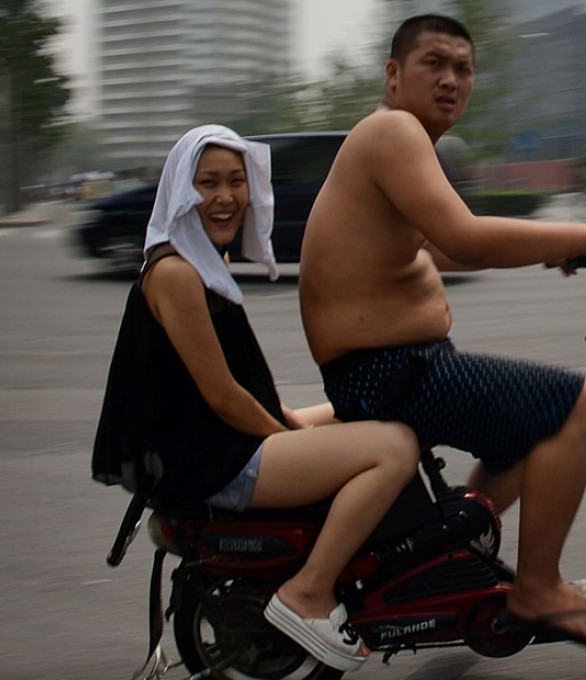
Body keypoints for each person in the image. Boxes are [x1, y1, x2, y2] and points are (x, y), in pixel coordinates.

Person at [298, 15, 586, 647]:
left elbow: (435, 247)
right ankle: (538, 588)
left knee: (524, 436)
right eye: (435, 63)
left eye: (464, 67)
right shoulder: (393, 130)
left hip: (393, 369)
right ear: (394, 75)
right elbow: (468, 237)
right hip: (394, 374)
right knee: (577, 408)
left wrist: (551, 249)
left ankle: (453, 553)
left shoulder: (396, 142)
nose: (452, 79)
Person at [92, 124, 420, 672]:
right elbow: (223, 397)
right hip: (213, 459)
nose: (224, 197)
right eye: (207, 183)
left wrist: (299, 424)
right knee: (395, 446)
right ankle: (309, 592)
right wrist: (293, 436)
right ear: (180, 191)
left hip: (217, 440)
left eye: (236, 182)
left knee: (357, 408)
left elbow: (244, 389)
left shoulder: (202, 262)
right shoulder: (175, 273)